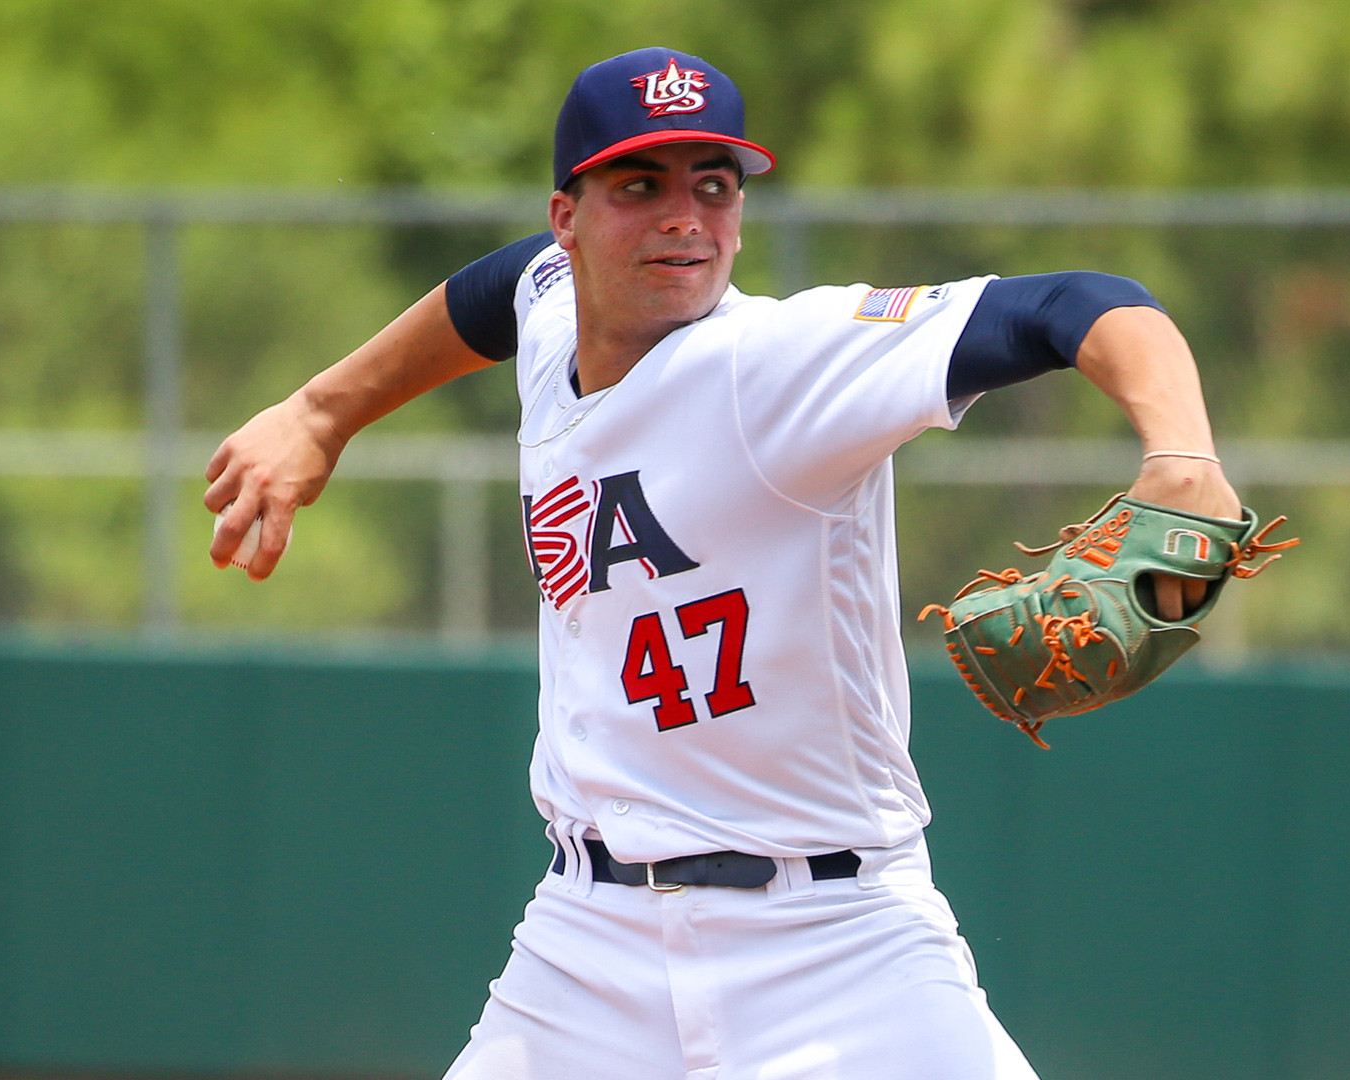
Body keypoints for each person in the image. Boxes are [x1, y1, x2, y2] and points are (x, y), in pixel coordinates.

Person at [206, 46, 1241, 1080]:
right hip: (585, 947)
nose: (684, 220)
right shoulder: (550, 303)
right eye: (639, 186)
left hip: (835, 944)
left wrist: (1183, 455)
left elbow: (1080, 304)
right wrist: (322, 411)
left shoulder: (782, 363)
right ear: (567, 216)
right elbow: (491, 293)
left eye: (714, 186)